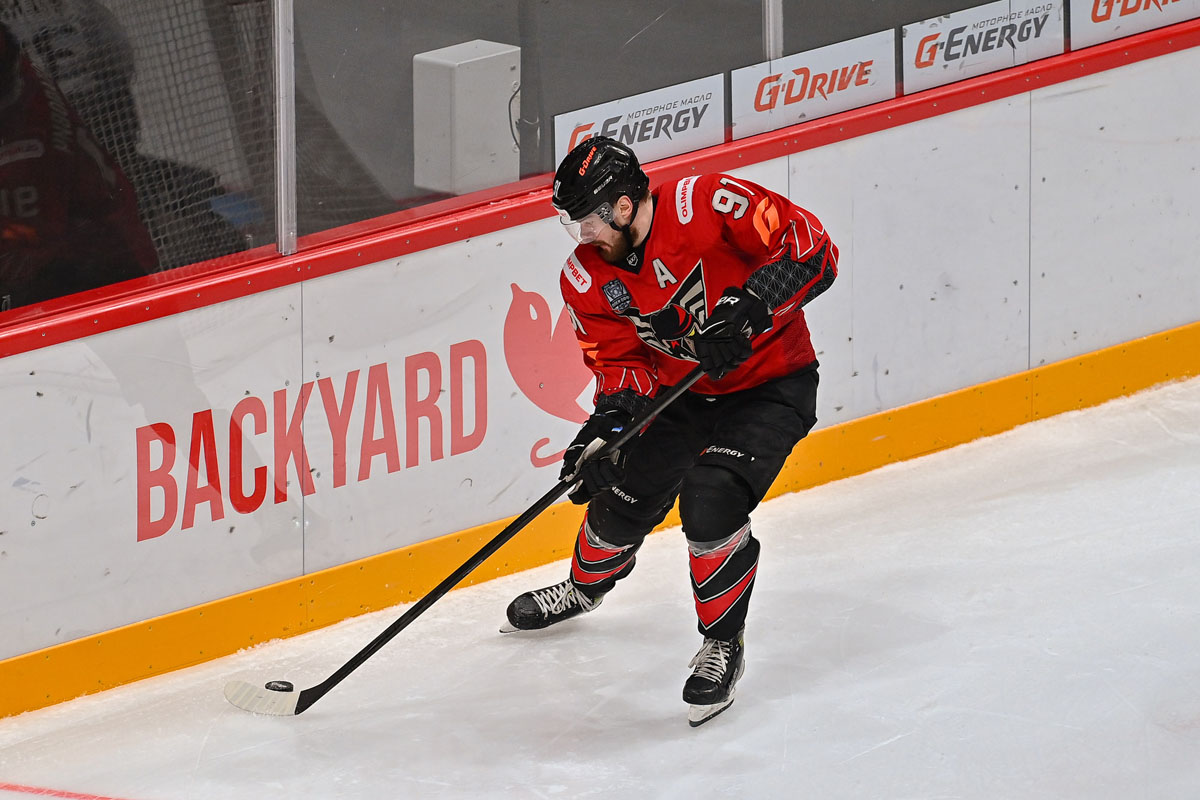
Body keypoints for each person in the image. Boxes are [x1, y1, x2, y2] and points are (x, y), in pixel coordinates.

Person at [502, 136, 839, 726]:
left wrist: (750, 307)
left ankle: (722, 643)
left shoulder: (707, 202)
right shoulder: (585, 277)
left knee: (710, 498)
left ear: (623, 206)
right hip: (681, 395)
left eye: (588, 220)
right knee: (617, 498)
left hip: (770, 387)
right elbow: (620, 363)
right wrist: (605, 429)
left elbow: (814, 250)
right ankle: (584, 587)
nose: (582, 235)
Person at [0, 21, 156, 311]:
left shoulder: (31, 152)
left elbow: (25, 258)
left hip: (93, 274)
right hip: (91, 249)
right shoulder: (19, 69)